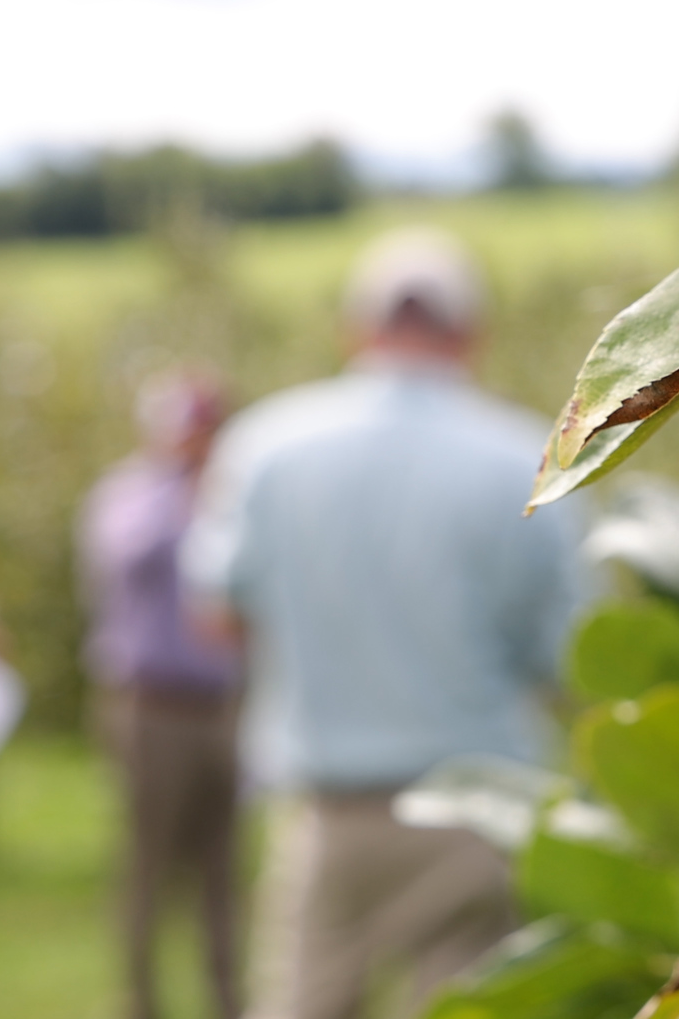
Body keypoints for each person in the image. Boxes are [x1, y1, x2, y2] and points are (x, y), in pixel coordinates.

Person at [183, 228, 585, 1019]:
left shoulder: (265, 449)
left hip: (329, 811)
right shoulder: (528, 461)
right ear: (471, 335)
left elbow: (220, 617)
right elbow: (566, 654)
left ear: (356, 329)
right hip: (480, 806)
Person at [78, 371, 243, 1019]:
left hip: (220, 706)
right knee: (148, 862)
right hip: (151, 707)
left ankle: (228, 998)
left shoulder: (232, 495)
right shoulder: (129, 494)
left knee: (223, 867)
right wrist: (185, 493)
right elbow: (127, 558)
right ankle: (140, 1000)